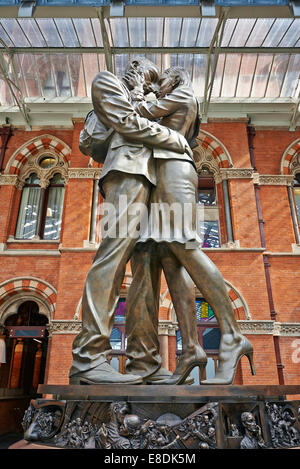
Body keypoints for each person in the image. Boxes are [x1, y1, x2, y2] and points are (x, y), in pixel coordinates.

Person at [124, 66, 255, 385]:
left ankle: (233, 336)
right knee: (171, 258)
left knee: (185, 246)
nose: (161, 86)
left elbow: (139, 113)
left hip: (175, 173)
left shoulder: (182, 93)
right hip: (165, 174)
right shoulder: (176, 100)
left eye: (164, 80)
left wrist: (142, 88)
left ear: (176, 78)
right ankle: (192, 349)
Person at [69, 59, 193, 385]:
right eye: (149, 79)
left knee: (147, 272)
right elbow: (116, 127)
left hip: (153, 181)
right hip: (127, 172)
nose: (152, 88)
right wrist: (171, 138)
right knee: (112, 256)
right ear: (135, 70)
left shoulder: (145, 103)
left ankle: (145, 362)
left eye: (156, 85)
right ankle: (89, 357)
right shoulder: (108, 83)